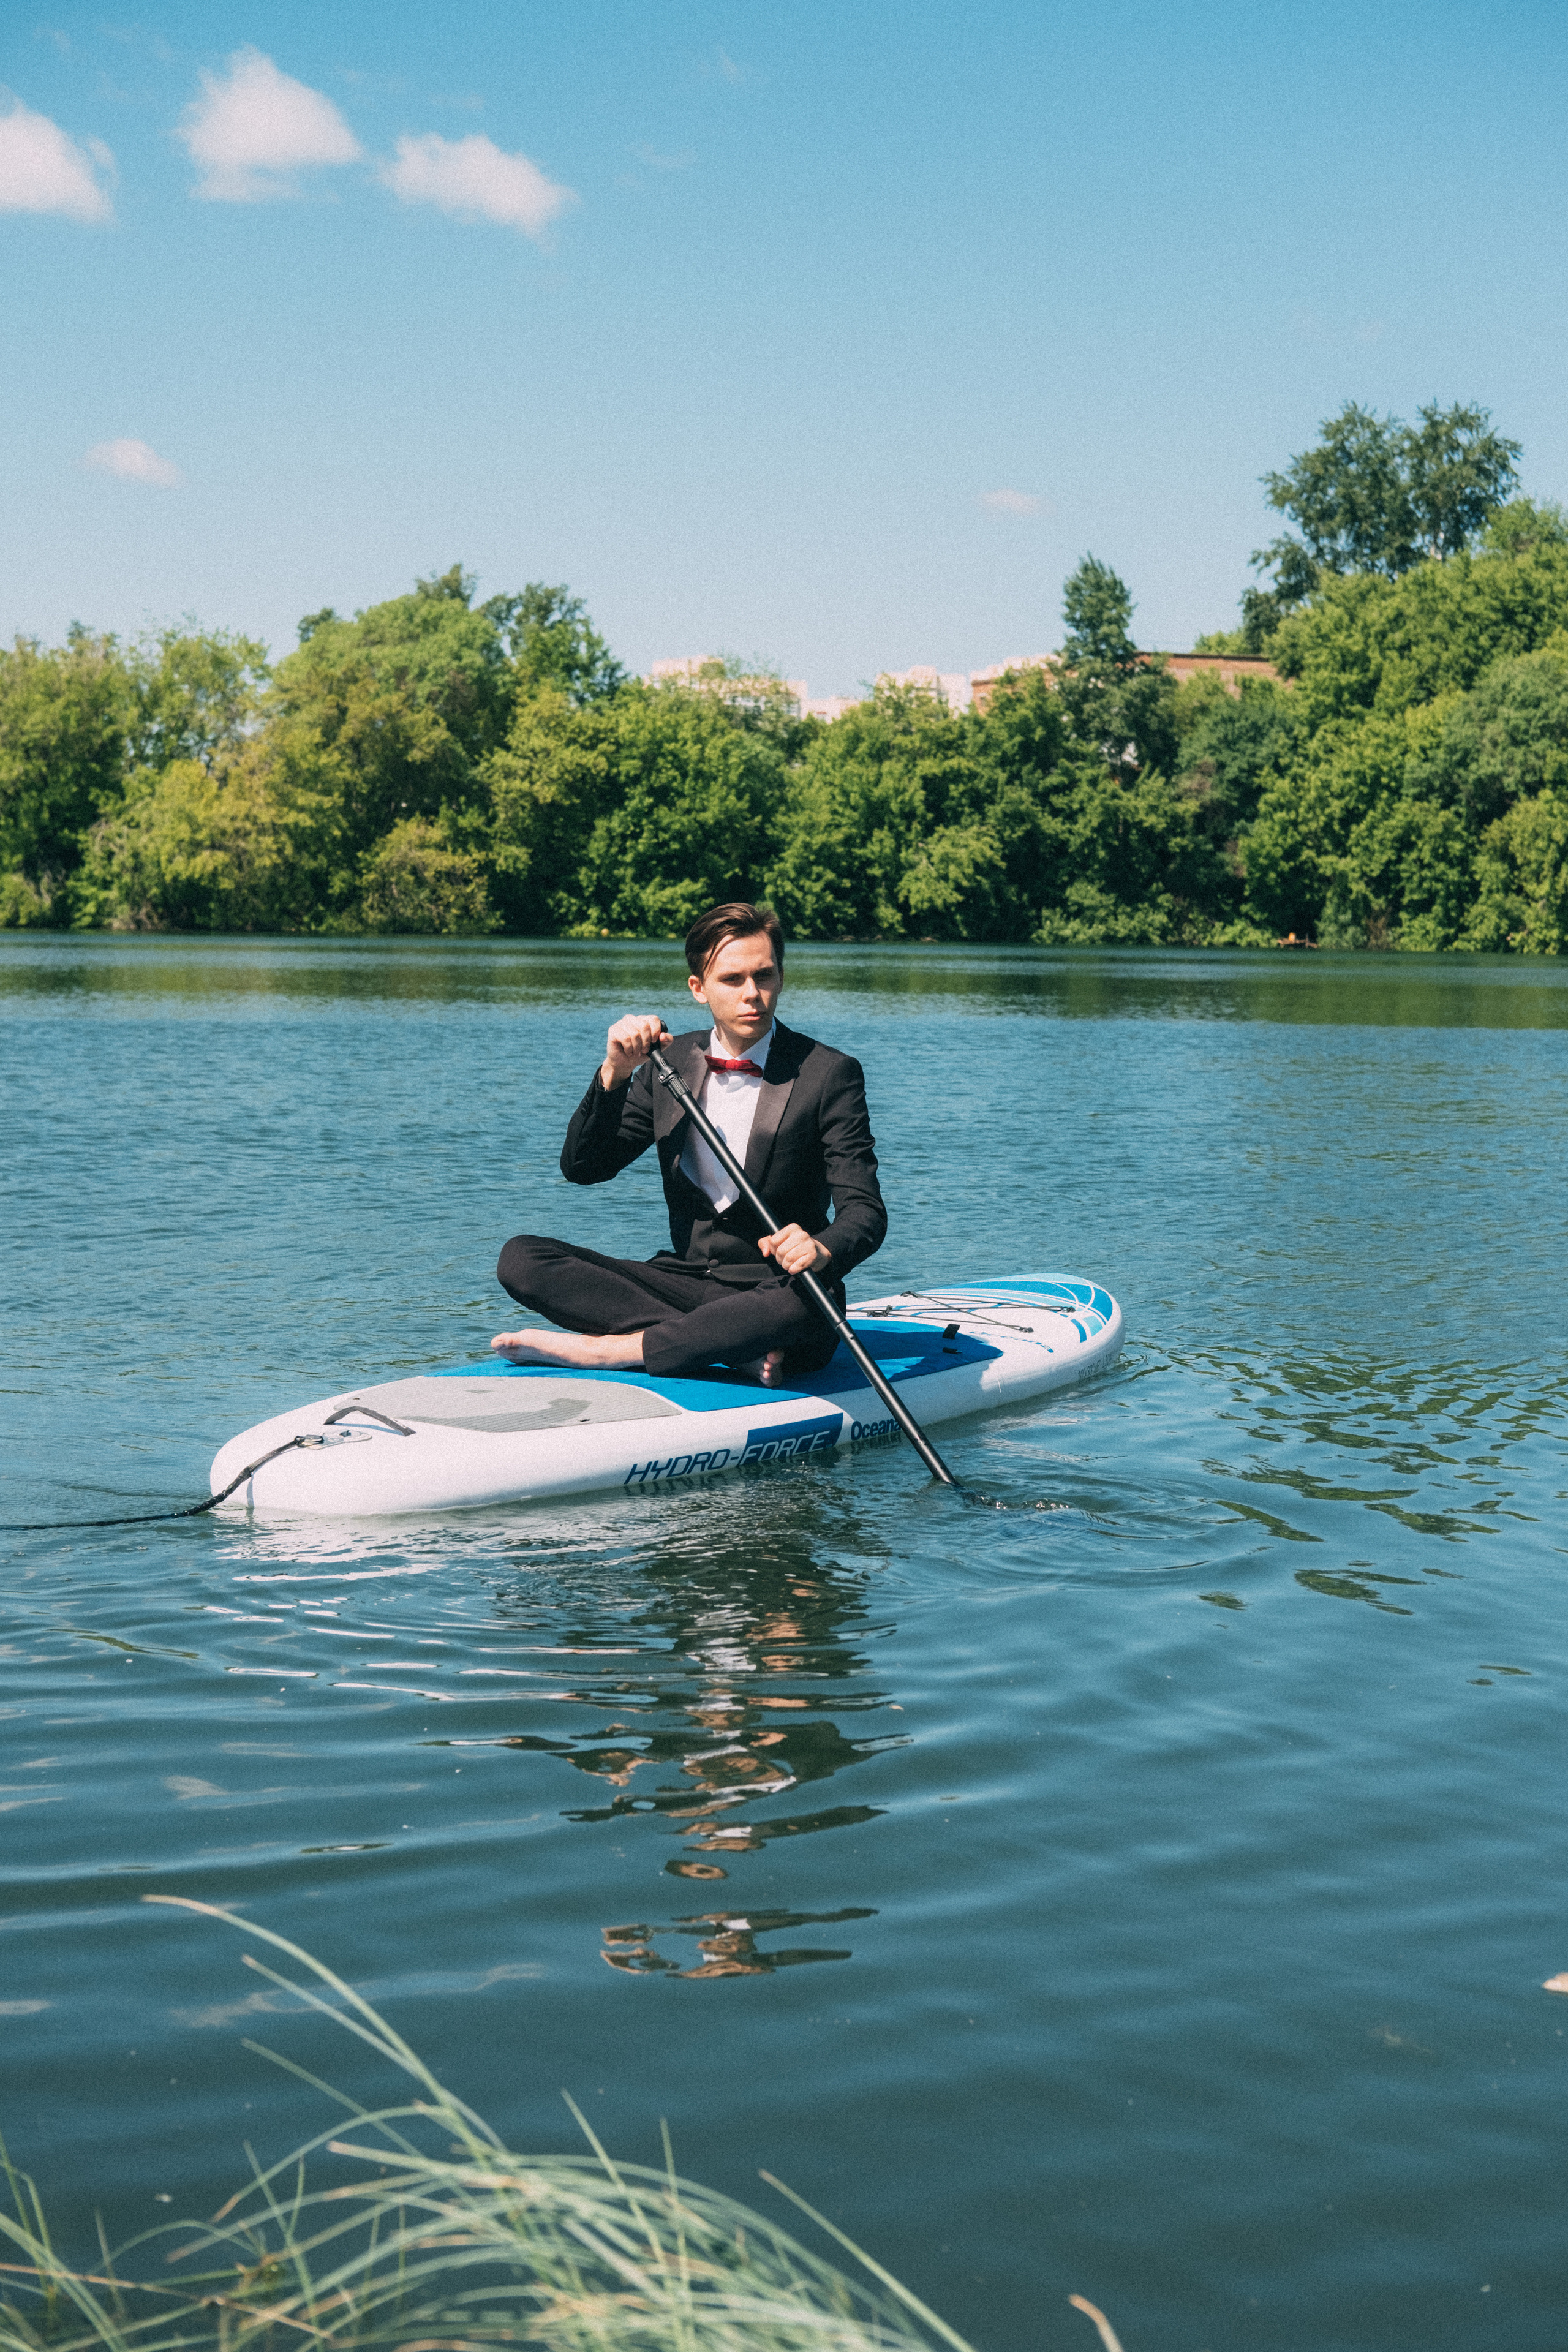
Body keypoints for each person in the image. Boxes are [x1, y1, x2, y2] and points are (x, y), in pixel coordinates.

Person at [492, 902, 886, 1387]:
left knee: (803, 1305)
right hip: (682, 1283)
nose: (753, 995)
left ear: (781, 977)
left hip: (777, 1293)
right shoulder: (668, 1062)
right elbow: (585, 1167)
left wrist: (821, 1250)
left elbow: (865, 1214)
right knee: (522, 1258)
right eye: (732, 980)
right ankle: (720, 1347)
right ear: (699, 989)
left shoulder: (829, 1074)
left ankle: (611, 1351)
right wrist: (614, 1073)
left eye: (764, 976)